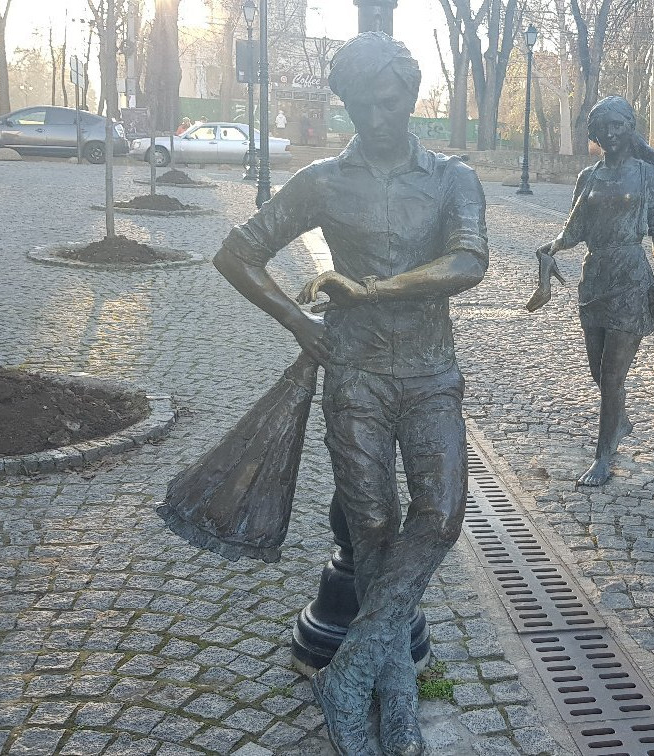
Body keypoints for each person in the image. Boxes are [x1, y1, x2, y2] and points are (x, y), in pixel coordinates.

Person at [212, 32, 487, 756]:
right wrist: (298, 320)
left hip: (430, 373)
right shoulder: (323, 180)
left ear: (411, 94)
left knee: (442, 514)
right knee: (370, 535)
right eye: (361, 104)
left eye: (388, 99)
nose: (376, 115)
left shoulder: (452, 177)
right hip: (356, 376)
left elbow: (470, 259)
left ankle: (349, 672)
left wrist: (372, 290)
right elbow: (236, 252)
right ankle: (395, 704)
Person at [529, 95, 654, 487]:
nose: (612, 133)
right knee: (597, 371)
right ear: (595, 134)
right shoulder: (588, 177)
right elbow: (575, 229)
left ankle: (602, 457)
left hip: (631, 279)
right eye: (605, 128)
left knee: (613, 377)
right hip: (595, 277)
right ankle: (618, 422)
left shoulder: (646, 175)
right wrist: (551, 248)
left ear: (629, 128)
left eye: (619, 125)